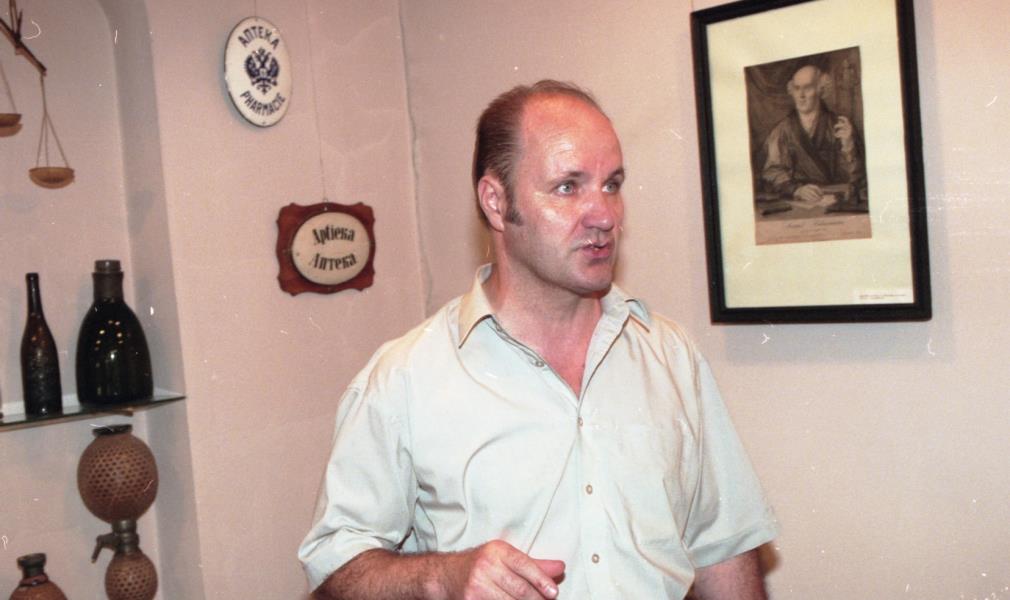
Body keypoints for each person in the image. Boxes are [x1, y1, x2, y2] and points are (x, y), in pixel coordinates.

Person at [299, 80, 778, 599]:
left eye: (612, 184)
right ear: (496, 202)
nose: (605, 216)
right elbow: (335, 572)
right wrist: (442, 578)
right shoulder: (404, 379)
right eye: (568, 187)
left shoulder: (670, 356)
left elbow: (724, 548)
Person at [760, 64, 866, 207]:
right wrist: (796, 189)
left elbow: (857, 178)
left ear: (821, 90)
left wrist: (849, 146)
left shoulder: (840, 125)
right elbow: (771, 172)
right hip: (799, 204)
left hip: (837, 202)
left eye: (808, 88)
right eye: (797, 88)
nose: (801, 95)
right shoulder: (782, 130)